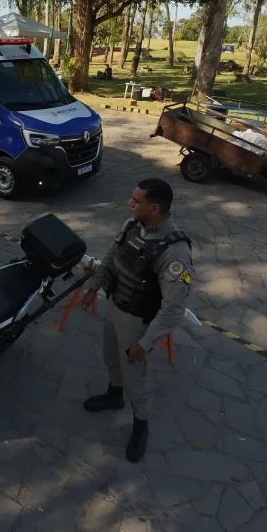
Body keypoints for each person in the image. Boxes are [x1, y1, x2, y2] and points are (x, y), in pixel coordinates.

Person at [81, 179, 193, 463]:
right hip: (115, 306)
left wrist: (145, 343)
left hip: (137, 322)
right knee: (112, 358)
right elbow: (111, 257)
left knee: (137, 379)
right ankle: (113, 395)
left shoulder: (174, 251)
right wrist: (95, 285)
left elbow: (173, 308)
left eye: (136, 200)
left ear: (154, 208)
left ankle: (141, 425)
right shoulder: (132, 225)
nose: (129, 204)